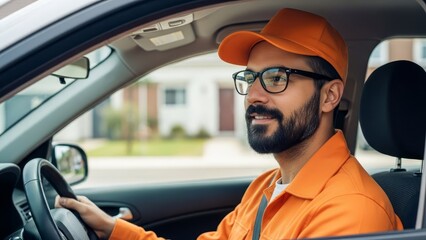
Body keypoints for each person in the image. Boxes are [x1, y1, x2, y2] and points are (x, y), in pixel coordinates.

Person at [56, 8, 403, 239]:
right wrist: (113, 230)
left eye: (276, 77)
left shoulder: (351, 211)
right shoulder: (267, 186)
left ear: (329, 96)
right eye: (250, 77)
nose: (253, 95)